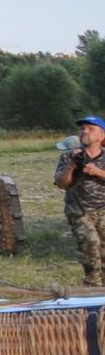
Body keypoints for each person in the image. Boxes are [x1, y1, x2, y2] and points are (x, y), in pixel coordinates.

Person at [59, 115, 105, 289]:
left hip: (103, 210)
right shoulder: (69, 157)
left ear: (101, 136)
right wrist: (71, 166)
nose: (84, 131)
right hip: (79, 211)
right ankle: (92, 291)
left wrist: (97, 172)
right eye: (83, 128)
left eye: (90, 129)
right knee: (90, 248)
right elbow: (61, 184)